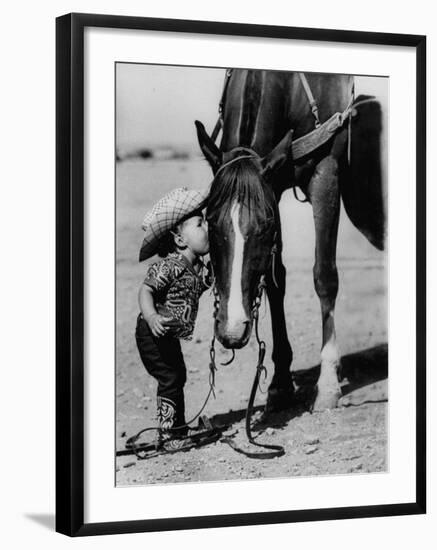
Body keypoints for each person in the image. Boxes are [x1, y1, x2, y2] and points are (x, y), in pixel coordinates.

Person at [135, 187, 211, 447]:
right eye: (200, 225)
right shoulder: (170, 265)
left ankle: (176, 427)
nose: (207, 229)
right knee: (170, 377)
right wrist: (152, 316)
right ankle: (168, 433)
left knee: (177, 375)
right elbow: (146, 290)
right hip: (152, 331)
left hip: (167, 334)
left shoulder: (198, 268)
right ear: (180, 240)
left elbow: (215, 280)